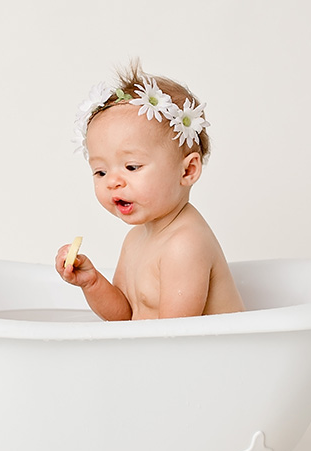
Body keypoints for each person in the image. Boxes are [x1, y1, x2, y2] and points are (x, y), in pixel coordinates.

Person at [55, 61, 245, 320]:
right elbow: (124, 316)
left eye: (131, 167)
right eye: (101, 172)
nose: (113, 182)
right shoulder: (135, 239)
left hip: (216, 358)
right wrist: (92, 283)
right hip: (162, 354)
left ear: (187, 171)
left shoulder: (184, 244)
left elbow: (173, 336)